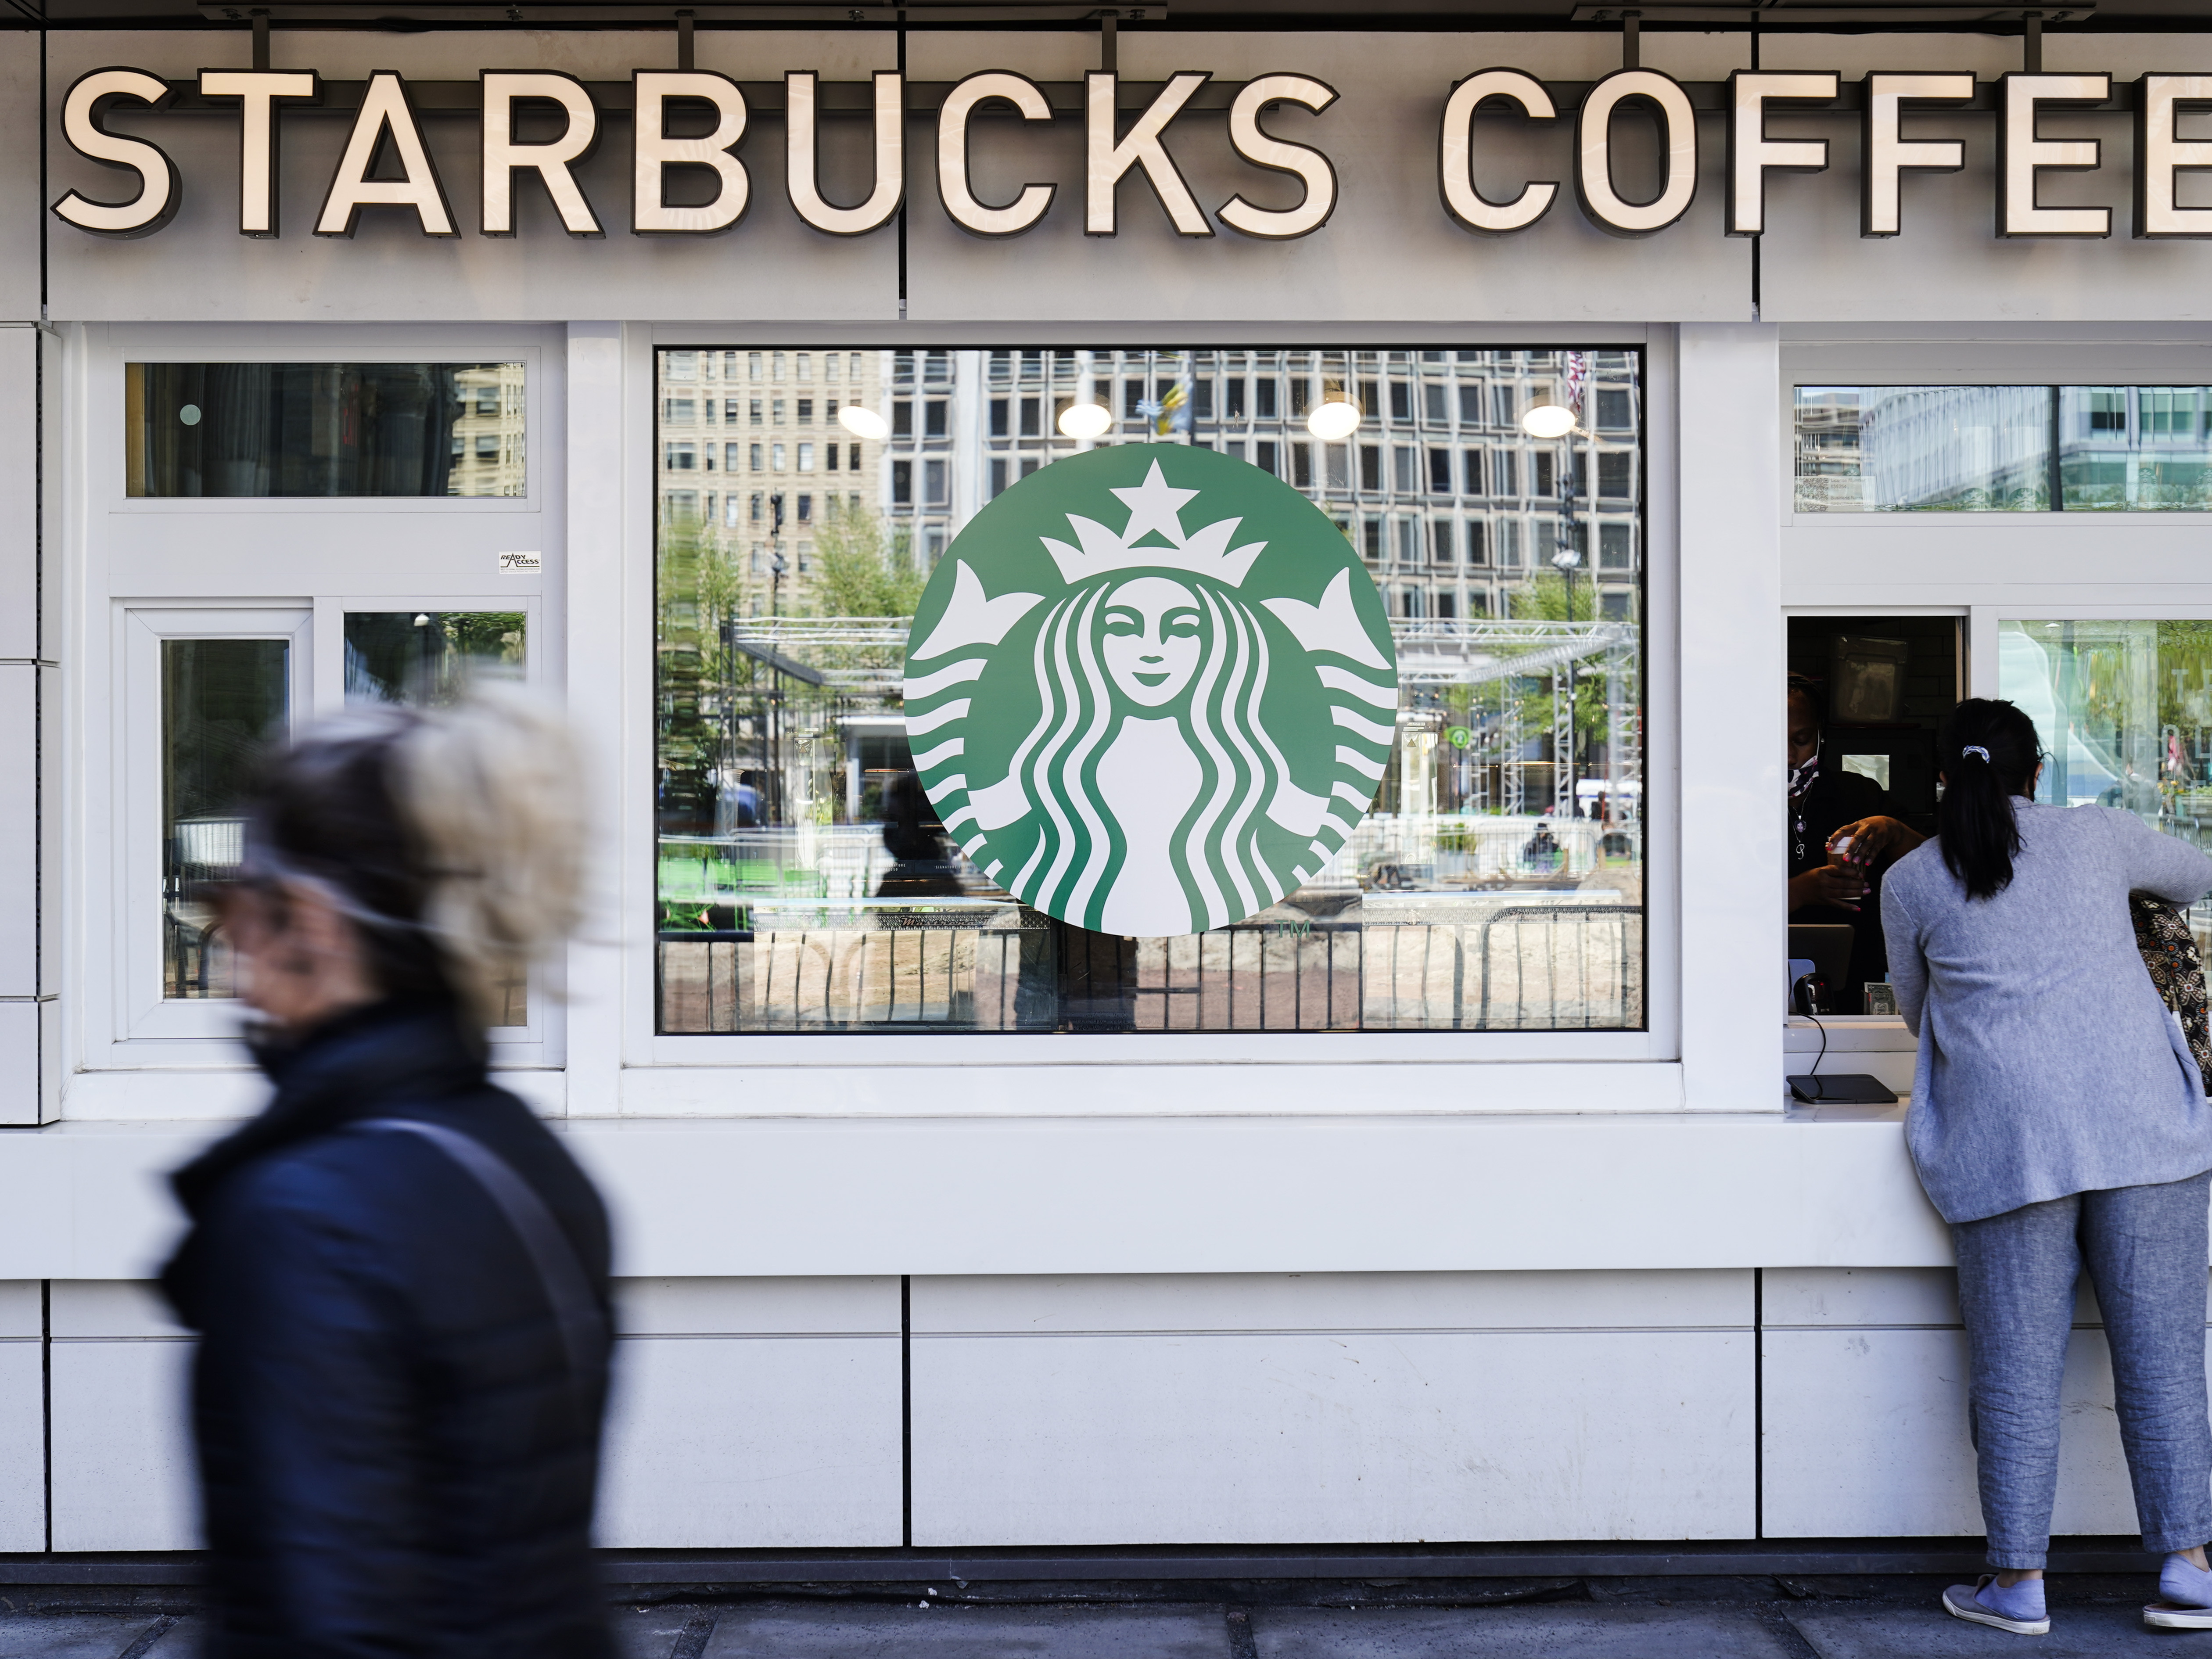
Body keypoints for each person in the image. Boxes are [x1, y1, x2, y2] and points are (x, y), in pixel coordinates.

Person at [159, 689, 614, 1659]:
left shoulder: (303, 1218)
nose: (226, 938)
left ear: (312, 924)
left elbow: (328, 1619)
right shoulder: (525, 1158)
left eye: (236, 902)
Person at [1882, 697, 2212, 1637]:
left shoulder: (1911, 881)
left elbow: (1915, 1012)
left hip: (2009, 1142)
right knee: (2164, 1363)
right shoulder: (2098, 835)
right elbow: (2195, 875)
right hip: (2142, 1125)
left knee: (2017, 1372)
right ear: (2038, 775)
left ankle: (2018, 1585)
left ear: (1943, 780)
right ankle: (2189, 1569)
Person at [1787, 674, 1925, 1002]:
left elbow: (1934, 870)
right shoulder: (1737, 807)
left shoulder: (1858, 795)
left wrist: (1893, 830)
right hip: (1758, 982)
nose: (1790, 758)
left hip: (1857, 985)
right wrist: (1800, 891)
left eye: (1801, 739)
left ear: (1821, 735)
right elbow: (1711, 903)